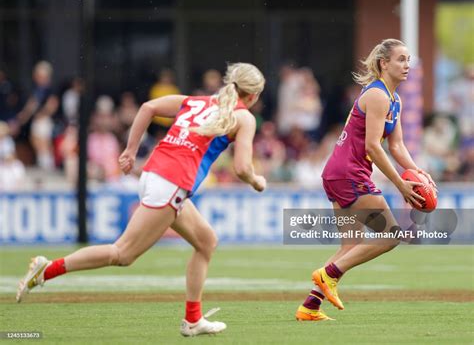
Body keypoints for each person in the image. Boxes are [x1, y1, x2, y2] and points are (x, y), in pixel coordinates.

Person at [16, 62, 266, 336]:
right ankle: (46, 269)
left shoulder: (194, 101)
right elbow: (242, 168)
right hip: (171, 184)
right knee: (122, 254)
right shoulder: (244, 118)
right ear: (253, 96)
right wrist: (256, 181)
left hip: (154, 175)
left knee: (206, 241)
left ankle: (193, 320)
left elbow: (148, 107)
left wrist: (130, 150)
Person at [295, 39, 437, 321]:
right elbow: (373, 146)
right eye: (400, 59)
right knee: (392, 235)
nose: (407, 64)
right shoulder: (378, 96)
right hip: (349, 173)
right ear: (384, 63)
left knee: (350, 246)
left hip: (339, 172)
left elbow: (396, 147)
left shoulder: (395, 99)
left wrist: (418, 171)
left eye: (408, 59)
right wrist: (400, 184)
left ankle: (309, 306)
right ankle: (328, 275)